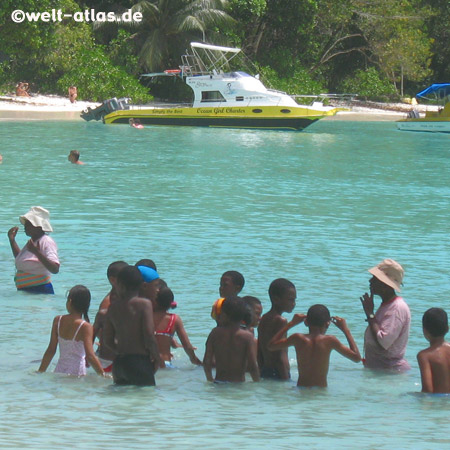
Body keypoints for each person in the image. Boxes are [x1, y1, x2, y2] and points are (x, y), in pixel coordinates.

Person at [268, 305, 361, 387]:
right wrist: (345, 330)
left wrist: (291, 323)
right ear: (328, 323)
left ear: (306, 322)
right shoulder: (330, 340)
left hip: (301, 389)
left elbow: (271, 346)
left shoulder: (297, 338)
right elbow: (356, 358)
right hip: (320, 392)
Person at [103, 265, 161, 386]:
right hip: (139, 362)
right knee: (144, 400)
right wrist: (156, 358)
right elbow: (149, 335)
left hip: (119, 363)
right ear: (141, 285)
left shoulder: (113, 308)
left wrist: (120, 352)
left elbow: (107, 340)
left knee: (121, 402)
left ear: (120, 285)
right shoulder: (144, 304)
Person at [38, 285, 105, 377]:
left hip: (59, 370)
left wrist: (40, 371)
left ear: (70, 302)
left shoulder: (58, 320)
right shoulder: (85, 326)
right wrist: (102, 374)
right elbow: (90, 356)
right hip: (77, 372)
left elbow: (51, 350)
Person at [360, 259, 411, 371]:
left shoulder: (397, 308)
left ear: (385, 284)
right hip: (381, 370)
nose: (370, 281)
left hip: (390, 372)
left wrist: (370, 314)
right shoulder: (387, 305)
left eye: (375, 279)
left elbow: (383, 342)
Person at [204, 296, 259, 382]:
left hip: (219, 382)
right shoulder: (247, 337)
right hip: (238, 385)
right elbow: (252, 365)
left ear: (224, 315)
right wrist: (257, 384)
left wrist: (210, 379)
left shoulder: (215, 333)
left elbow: (207, 361)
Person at [8, 206, 60, 294]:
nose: (25, 226)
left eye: (28, 223)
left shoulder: (46, 241)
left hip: (40, 291)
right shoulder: (33, 242)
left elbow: (55, 268)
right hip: (28, 292)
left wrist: (36, 252)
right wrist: (12, 240)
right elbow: (21, 259)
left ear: (38, 226)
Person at [153, 287, 202, 368]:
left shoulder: (146, 317)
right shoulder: (174, 319)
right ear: (170, 303)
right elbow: (187, 346)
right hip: (166, 364)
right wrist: (194, 360)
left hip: (148, 363)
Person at [257, 278, 296, 380]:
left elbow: (259, 349)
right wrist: (285, 378)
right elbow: (280, 355)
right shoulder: (281, 321)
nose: (293, 303)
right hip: (279, 372)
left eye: (294, 300)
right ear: (276, 299)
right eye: (290, 299)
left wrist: (261, 371)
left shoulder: (264, 318)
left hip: (265, 370)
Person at [93, 260, 128, 371]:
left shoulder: (121, 300)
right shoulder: (107, 303)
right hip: (108, 358)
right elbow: (100, 331)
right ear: (113, 280)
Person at [417, 308, 450, 393]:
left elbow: (427, 390)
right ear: (447, 328)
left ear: (425, 331)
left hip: (438, 402)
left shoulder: (424, 356)